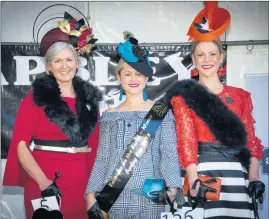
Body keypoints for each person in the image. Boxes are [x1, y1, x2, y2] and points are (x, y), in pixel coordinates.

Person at [166, 2, 265, 219]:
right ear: (193, 60)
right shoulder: (183, 96)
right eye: (200, 55)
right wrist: (193, 179)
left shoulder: (240, 95)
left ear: (221, 58)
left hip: (237, 174)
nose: (207, 60)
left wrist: (254, 177)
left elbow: (250, 140)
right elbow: (186, 140)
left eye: (212, 54)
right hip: (204, 170)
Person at [2, 11, 102, 219]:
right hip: (46, 180)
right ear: (49, 66)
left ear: (77, 63)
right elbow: (21, 145)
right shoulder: (35, 98)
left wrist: (95, 187)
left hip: (84, 183)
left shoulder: (91, 100)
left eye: (69, 60)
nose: (64, 66)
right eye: (57, 61)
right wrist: (43, 182)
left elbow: (97, 146)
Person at [85, 32, 182, 219]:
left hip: (151, 197)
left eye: (139, 74)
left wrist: (173, 188)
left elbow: (169, 155)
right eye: (127, 74)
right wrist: (90, 193)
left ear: (146, 78)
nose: (133, 79)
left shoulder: (161, 112)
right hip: (113, 198)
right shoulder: (109, 116)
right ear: (119, 78)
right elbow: (102, 158)